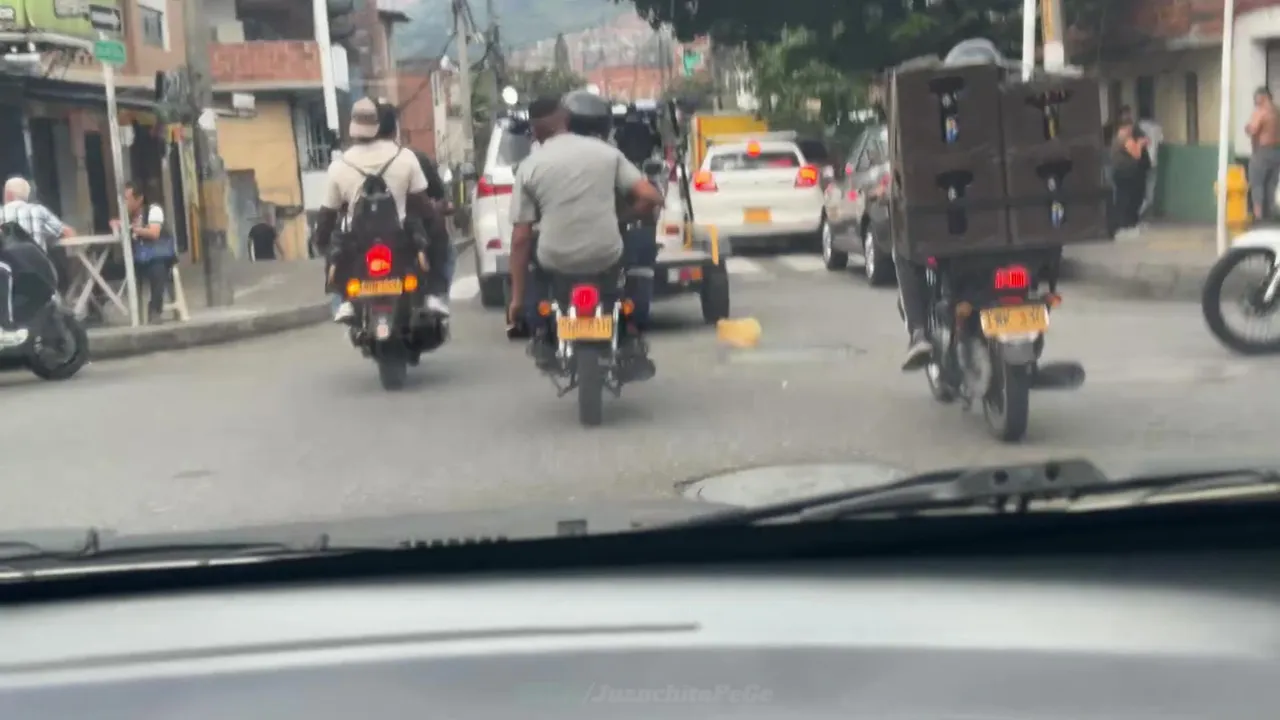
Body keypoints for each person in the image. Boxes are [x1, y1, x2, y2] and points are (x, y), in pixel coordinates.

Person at [506, 92, 664, 368]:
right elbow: (651, 197)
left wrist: (517, 301)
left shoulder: (529, 167)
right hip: (605, 253)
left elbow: (520, 238)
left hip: (555, 258)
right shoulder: (607, 154)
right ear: (566, 119)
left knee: (534, 263)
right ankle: (628, 333)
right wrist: (623, 217)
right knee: (630, 258)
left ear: (535, 131)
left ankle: (543, 332)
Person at [313, 97, 447, 323]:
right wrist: (433, 221)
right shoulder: (404, 157)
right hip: (400, 239)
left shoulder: (340, 165)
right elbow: (422, 205)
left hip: (358, 244)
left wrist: (321, 242)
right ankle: (433, 294)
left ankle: (345, 300)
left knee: (336, 239)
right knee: (437, 233)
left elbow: (327, 216)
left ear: (352, 128)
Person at [374, 100, 455, 299]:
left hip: (363, 237)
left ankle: (341, 305)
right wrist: (438, 208)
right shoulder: (412, 157)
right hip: (406, 237)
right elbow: (428, 199)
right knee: (444, 246)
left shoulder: (348, 161)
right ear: (395, 129)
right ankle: (437, 294)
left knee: (343, 265)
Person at [0, 176, 75, 345]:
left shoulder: (1, 213)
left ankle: (7, 327)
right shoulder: (38, 211)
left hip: (12, 277)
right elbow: (68, 233)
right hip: (38, 271)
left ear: (9, 195)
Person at [114, 182, 176, 323]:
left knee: (158, 269)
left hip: (157, 256)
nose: (125, 203)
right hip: (138, 259)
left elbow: (154, 233)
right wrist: (116, 225)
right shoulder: (128, 216)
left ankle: (154, 309)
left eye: (128, 199)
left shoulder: (154, 211)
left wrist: (133, 229)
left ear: (139, 199)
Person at [1246, 87, 1280, 221]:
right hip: (1277, 152)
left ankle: (1258, 216)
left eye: (1256, 99)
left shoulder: (1261, 112)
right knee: (1271, 185)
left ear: (1263, 97)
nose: (1255, 102)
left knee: (1257, 184)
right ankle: (1270, 216)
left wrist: (1247, 127)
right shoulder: (1277, 111)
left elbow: (1253, 130)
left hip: (1262, 151)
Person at [1110, 120, 1149, 234]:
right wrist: (1140, 144)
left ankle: (1128, 223)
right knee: (1127, 200)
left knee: (1127, 199)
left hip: (1123, 174)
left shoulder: (1119, 139)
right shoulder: (1124, 139)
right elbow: (1137, 154)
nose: (1131, 131)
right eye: (1129, 128)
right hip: (1125, 174)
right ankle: (1125, 224)